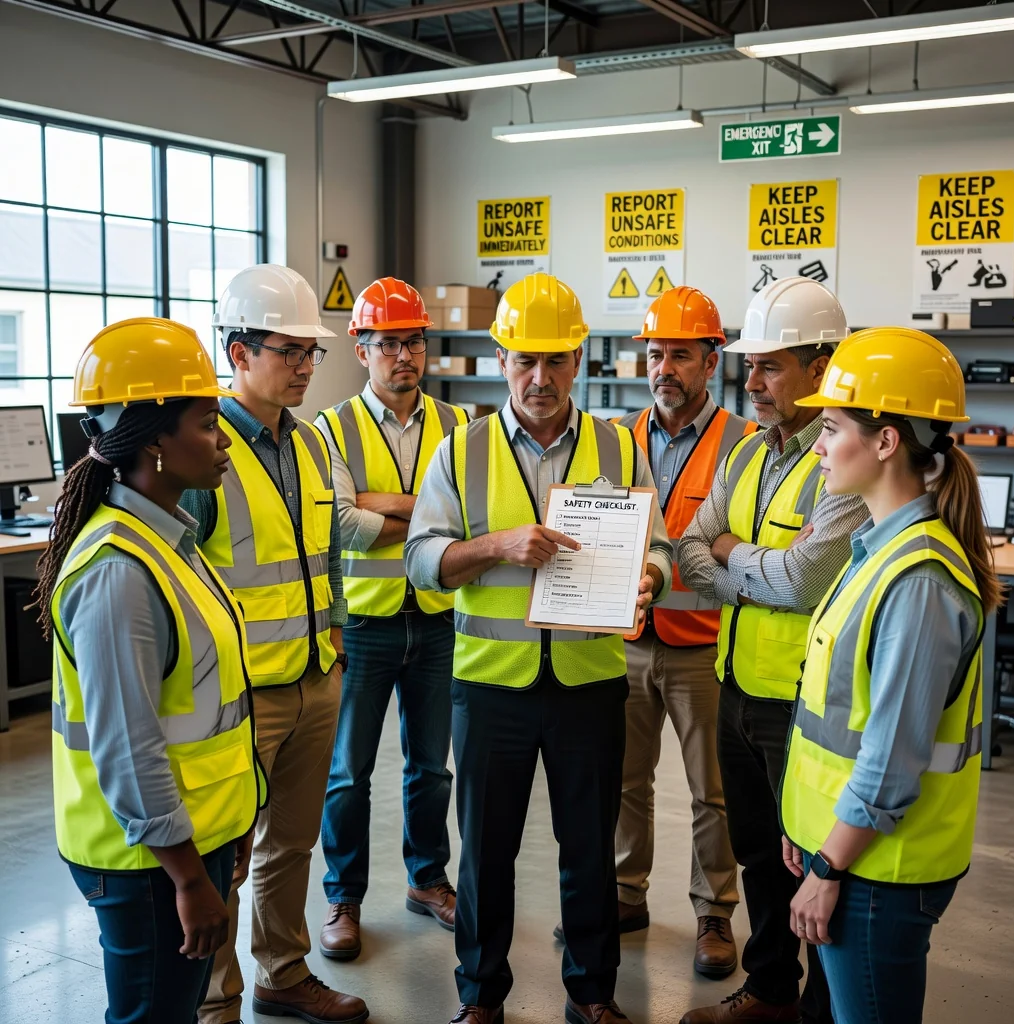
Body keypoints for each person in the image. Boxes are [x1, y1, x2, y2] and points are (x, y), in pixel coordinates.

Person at [405, 273, 676, 1024]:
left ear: (580, 358)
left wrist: (648, 576)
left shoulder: (620, 449)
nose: (540, 377)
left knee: (589, 847)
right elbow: (422, 561)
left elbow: (657, 545)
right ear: (500, 358)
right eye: (525, 360)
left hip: (590, 682)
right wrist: (495, 545)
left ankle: (592, 994)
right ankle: (480, 997)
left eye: (556, 360)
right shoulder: (461, 453)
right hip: (491, 686)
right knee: (486, 853)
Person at [39, 317, 262, 1024]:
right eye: (206, 423)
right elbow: (129, 748)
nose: (224, 439)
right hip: (145, 866)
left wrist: (232, 831)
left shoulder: (168, 538)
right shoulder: (119, 572)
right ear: (154, 441)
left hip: (187, 843)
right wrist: (191, 878)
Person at [780, 328, 1003, 1024]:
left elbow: (893, 759)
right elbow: (837, 714)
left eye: (834, 426)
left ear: (885, 442)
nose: (817, 443)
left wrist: (829, 867)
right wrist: (805, 826)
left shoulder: (919, 581)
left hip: (881, 872)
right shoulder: (879, 549)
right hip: (856, 855)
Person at [677, 277, 866, 1024]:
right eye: (749, 366)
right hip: (738, 689)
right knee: (757, 853)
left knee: (814, 865)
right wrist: (748, 566)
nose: (750, 382)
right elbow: (694, 548)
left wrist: (733, 560)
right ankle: (769, 989)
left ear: (821, 367)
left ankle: (825, 1004)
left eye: (770, 366)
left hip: (806, 705)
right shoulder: (750, 453)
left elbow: (807, 577)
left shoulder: (845, 458)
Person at [188, 265, 368, 1024]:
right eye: (286, 349)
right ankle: (213, 1000)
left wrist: (334, 640)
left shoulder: (315, 447)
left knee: (291, 843)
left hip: (314, 677)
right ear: (237, 351)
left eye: (310, 353)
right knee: (224, 856)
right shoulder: (201, 454)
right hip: (238, 696)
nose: (302, 366)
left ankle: (283, 972)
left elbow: (323, 559)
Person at [559, 287, 754, 974]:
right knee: (624, 779)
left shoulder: (744, 444)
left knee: (713, 789)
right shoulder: (617, 440)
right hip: (627, 641)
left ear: (710, 361)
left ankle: (713, 913)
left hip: (701, 645)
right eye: (654, 355)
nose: (663, 368)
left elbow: (736, 543)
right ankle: (624, 891)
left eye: (679, 355)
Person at [316, 278, 468, 959]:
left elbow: (471, 519)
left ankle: (427, 880)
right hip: (366, 626)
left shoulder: (461, 427)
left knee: (430, 768)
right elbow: (342, 525)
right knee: (347, 771)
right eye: (387, 343)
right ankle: (343, 897)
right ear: (360, 347)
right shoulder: (331, 428)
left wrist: (388, 502)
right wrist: (424, 510)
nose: (402, 356)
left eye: (413, 341)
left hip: (439, 621)